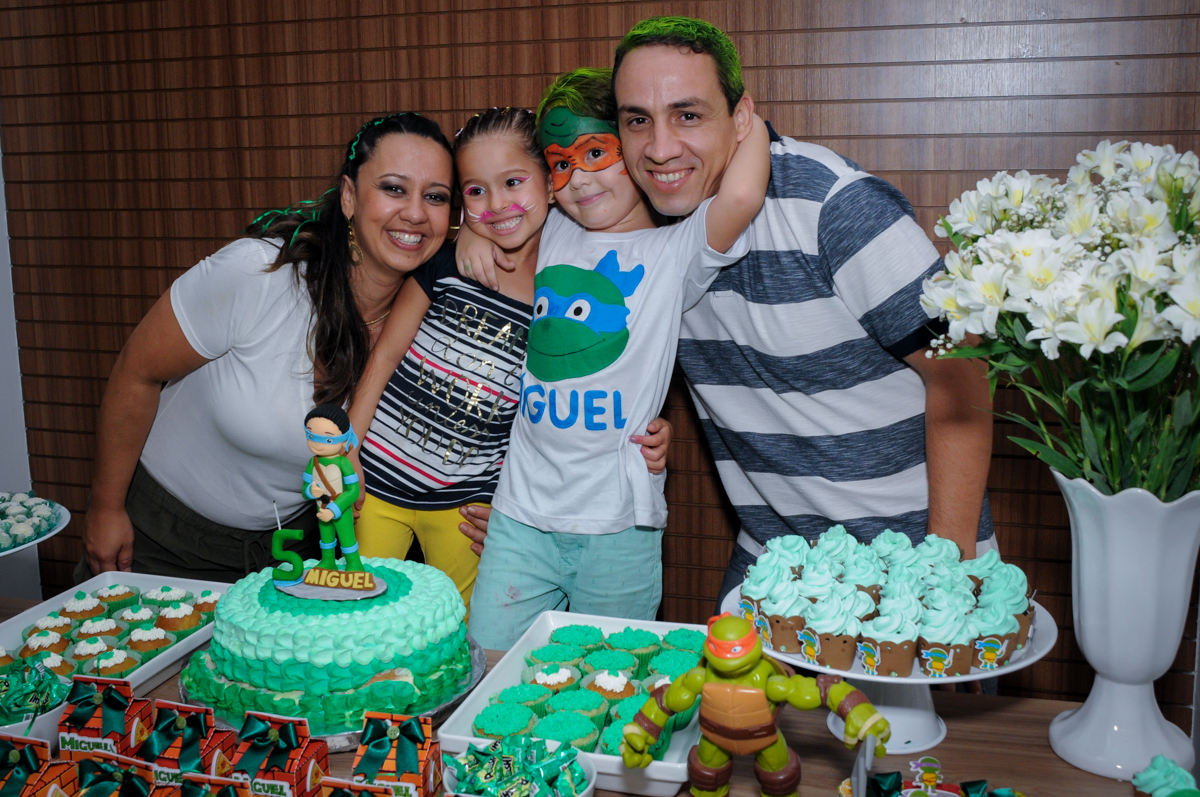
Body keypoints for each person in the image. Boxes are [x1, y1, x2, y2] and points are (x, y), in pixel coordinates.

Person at [609, 17, 996, 609]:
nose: (659, 148)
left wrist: (946, 575)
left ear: (741, 118)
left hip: (910, 565)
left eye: (688, 114)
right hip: (773, 564)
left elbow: (963, 375)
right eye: (638, 119)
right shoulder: (636, 235)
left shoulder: (835, 209)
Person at [458, 68, 771, 648]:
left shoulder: (676, 249)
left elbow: (745, 194)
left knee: (610, 684)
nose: (578, 179)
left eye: (595, 152)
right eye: (560, 163)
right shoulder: (550, 228)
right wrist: (469, 231)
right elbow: (497, 208)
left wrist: (743, 120)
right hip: (521, 515)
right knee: (489, 669)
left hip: (619, 525)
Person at [78, 112, 456, 583]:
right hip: (160, 538)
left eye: (436, 197)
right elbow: (137, 372)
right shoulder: (260, 276)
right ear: (349, 196)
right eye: (394, 188)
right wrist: (105, 507)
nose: (416, 213)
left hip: (296, 556)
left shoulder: (437, 324)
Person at [346, 106, 673, 610]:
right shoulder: (449, 260)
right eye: (475, 191)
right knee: (355, 616)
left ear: (548, 180)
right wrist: (349, 443)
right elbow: (386, 353)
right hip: (380, 480)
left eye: (514, 182)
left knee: (466, 640)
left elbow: (588, 379)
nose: (496, 205)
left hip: (470, 503)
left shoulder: (565, 276)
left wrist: (648, 425)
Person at [303, 404, 363, 571]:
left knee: (347, 538)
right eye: (311, 435)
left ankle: (354, 563)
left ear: (344, 439)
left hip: (340, 510)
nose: (317, 444)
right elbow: (305, 490)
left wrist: (334, 510)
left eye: (328, 439)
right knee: (326, 538)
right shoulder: (312, 462)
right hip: (321, 508)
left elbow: (353, 491)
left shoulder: (344, 463)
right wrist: (310, 491)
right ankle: (328, 561)